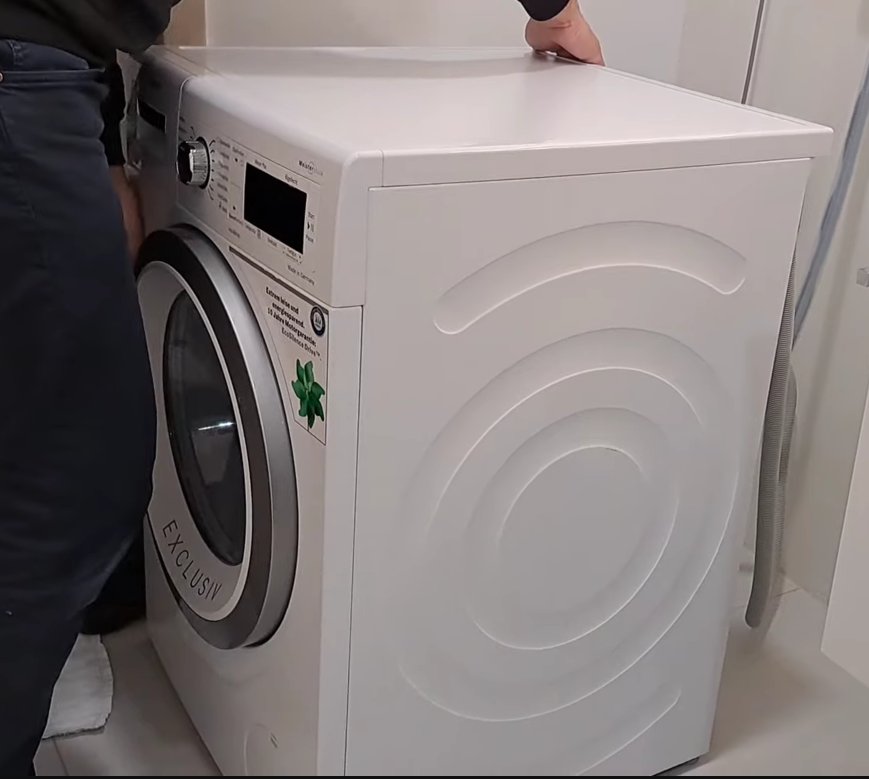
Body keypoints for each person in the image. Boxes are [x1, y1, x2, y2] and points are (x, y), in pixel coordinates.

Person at [0, 0, 601, 774]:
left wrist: (107, 146)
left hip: (48, 77)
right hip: (24, 83)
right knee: (75, 485)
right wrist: (556, 13)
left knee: (48, 452)